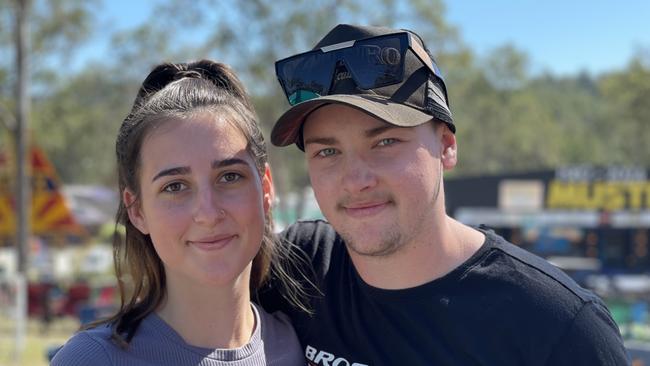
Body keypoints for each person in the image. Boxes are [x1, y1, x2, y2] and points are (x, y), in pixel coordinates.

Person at [259, 24, 630, 365]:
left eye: (385, 141)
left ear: (447, 146)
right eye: (327, 152)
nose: (356, 180)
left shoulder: (558, 327)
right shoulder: (299, 268)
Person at [51, 60, 305, 365]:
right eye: (174, 186)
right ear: (137, 210)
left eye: (229, 177)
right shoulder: (92, 359)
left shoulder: (299, 343)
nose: (208, 213)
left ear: (266, 189)